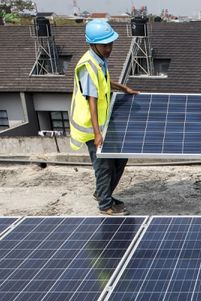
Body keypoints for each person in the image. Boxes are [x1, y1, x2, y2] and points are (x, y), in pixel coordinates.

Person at [69, 19, 139, 215]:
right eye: (104, 45)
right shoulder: (87, 66)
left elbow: (105, 83)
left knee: (120, 157)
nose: (109, 48)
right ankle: (105, 205)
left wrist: (123, 88)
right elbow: (92, 100)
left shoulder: (99, 60)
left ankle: (103, 192)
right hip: (91, 127)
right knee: (104, 166)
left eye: (110, 44)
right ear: (92, 44)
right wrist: (97, 134)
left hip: (104, 123)